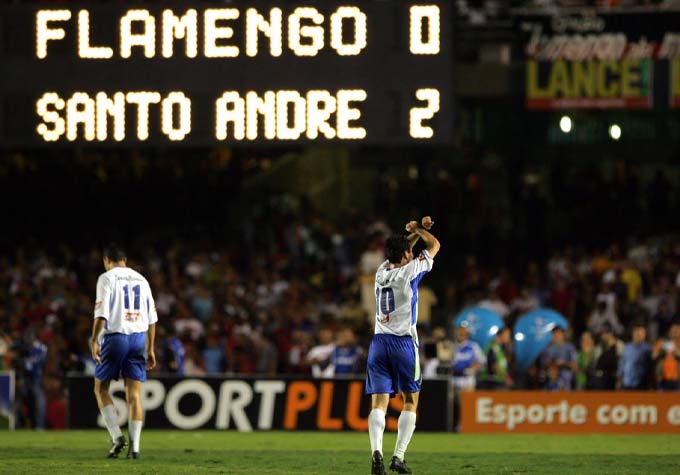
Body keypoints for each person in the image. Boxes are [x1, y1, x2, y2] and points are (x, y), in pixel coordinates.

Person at [365, 216, 440, 475]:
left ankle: (376, 453)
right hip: (403, 343)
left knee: (379, 404)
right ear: (407, 255)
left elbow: (400, 249)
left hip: (378, 343)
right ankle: (398, 456)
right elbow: (435, 246)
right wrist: (419, 230)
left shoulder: (381, 271)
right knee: (410, 401)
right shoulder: (409, 272)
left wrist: (411, 234)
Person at [90, 244, 158, 460]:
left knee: (101, 389)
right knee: (134, 395)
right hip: (138, 338)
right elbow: (152, 318)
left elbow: (102, 314)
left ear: (106, 260)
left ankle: (117, 436)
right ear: (125, 260)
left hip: (115, 336)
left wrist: (94, 340)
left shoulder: (106, 278)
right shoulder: (142, 279)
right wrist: (150, 347)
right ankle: (135, 449)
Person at [618, 322, 652, 390]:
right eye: (637, 332)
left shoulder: (648, 349)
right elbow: (622, 364)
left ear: (645, 334)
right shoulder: (627, 347)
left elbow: (650, 368)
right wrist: (619, 379)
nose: (639, 335)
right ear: (633, 333)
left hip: (641, 384)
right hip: (627, 383)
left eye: (641, 333)